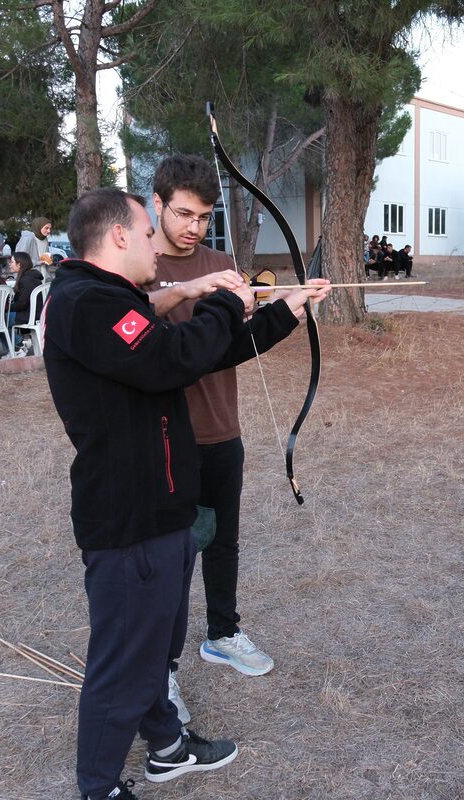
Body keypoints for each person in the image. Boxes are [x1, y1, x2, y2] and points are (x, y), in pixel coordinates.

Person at [44, 187, 292, 800]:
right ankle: (98, 786)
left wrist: (283, 311)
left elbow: (197, 356)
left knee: (153, 646)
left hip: (162, 507)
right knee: (124, 660)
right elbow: (171, 359)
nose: (160, 243)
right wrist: (224, 300)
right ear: (120, 236)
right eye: (148, 231)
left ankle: (167, 746)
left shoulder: (110, 300)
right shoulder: (85, 302)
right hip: (130, 516)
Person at [142, 155, 330, 721]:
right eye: (182, 213)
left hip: (221, 428)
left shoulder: (222, 261)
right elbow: (125, 325)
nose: (193, 226)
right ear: (157, 203)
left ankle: (222, 633)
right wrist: (188, 288)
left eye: (203, 215)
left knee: (222, 541)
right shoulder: (135, 259)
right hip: (164, 436)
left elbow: (235, 345)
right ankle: (161, 671)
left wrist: (291, 309)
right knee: (171, 555)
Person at [7, 251, 43, 353]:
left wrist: (6, 307)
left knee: (0, 319)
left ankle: (19, 345)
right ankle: (17, 346)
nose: (9, 264)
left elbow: (22, 304)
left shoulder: (26, 280)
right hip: (37, 313)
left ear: (19, 264)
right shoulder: (34, 277)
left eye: (12, 262)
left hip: (28, 315)